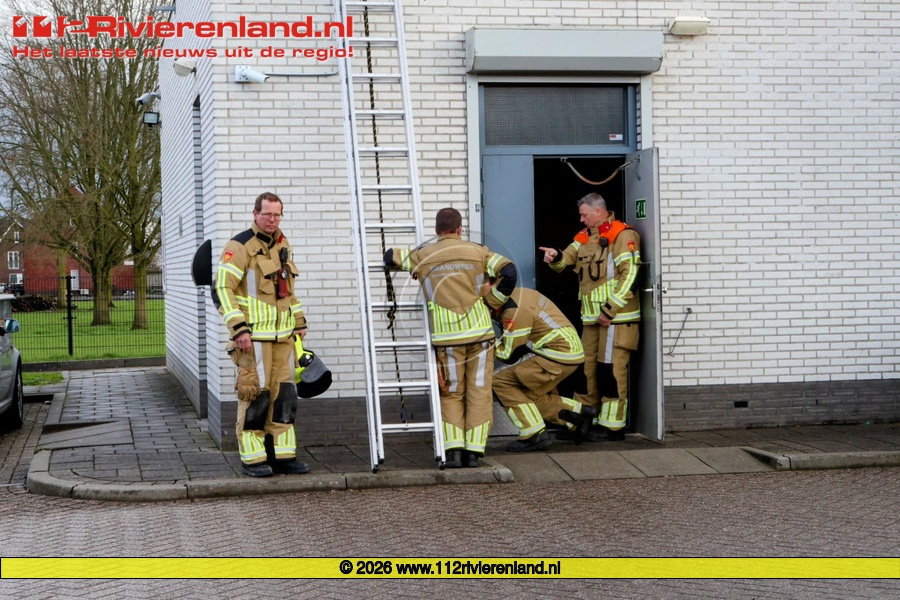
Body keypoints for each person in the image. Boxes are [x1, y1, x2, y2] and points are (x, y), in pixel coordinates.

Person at [384, 207, 517, 468]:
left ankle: (454, 450)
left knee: (452, 394)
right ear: (459, 229)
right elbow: (509, 271)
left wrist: (418, 266)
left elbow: (390, 256)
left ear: (436, 230)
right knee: (479, 392)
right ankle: (474, 452)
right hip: (480, 335)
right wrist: (492, 300)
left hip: (447, 340)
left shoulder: (424, 254)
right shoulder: (478, 251)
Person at [212, 192, 310, 477]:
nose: (272, 219)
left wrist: (299, 321)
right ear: (255, 214)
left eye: (277, 215)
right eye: (267, 214)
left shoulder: (282, 244)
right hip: (253, 340)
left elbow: (287, 291)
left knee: (284, 398)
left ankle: (282, 456)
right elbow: (222, 289)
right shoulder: (239, 246)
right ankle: (252, 459)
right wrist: (238, 329)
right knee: (256, 397)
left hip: (284, 339)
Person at [539, 193, 641, 441]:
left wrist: (609, 310)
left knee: (610, 371)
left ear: (598, 211)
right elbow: (566, 260)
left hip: (615, 320)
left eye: (584, 215)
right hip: (592, 319)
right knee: (586, 370)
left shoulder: (622, 234)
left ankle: (612, 428)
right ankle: (584, 422)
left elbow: (631, 276)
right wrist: (555, 256)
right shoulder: (584, 236)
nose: (581, 219)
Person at [487, 285, 598, 451]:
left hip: (555, 353)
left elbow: (509, 355)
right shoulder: (519, 293)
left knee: (500, 382)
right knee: (525, 394)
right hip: (569, 351)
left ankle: (533, 434)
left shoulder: (513, 312)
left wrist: (487, 344)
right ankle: (579, 415)